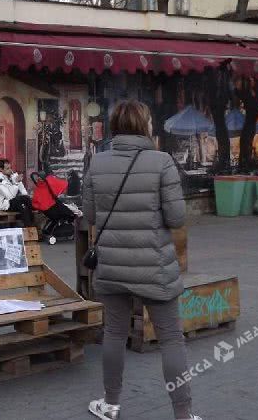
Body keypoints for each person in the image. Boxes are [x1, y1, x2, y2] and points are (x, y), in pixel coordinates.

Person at [82, 100, 200, 420]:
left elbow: (90, 215)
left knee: (115, 335)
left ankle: (110, 404)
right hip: (155, 267)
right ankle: (183, 414)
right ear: (145, 126)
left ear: (115, 126)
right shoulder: (162, 162)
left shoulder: (97, 162)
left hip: (112, 265)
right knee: (171, 339)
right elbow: (176, 219)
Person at [0, 159, 34, 227]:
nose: (10, 170)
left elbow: (24, 192)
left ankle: (30, 226)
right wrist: (16, 182)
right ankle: (29, 227)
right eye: (7, 168)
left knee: (25, 201)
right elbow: (10, 196)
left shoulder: (12, 175)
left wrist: (19, 182)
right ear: (1, 169)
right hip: (5, 204)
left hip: (16, 201)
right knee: (21, 203)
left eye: (10, 168)